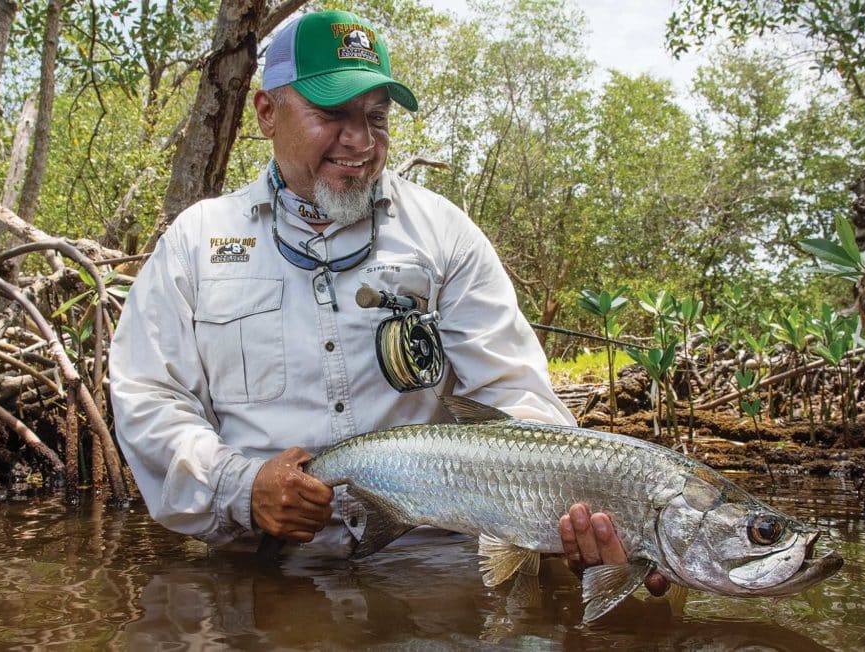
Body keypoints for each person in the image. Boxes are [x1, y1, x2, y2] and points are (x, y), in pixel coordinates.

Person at [109, 9, 666, 596]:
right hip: (259, 568)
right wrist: (239, 487)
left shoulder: (444, 232)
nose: (360, 141)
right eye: (332, 115)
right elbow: (148, 396)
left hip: (431, 568)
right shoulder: (197, 241)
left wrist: (568, 509)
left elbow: (515, 397)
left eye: (377, 117)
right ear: (267, 112)